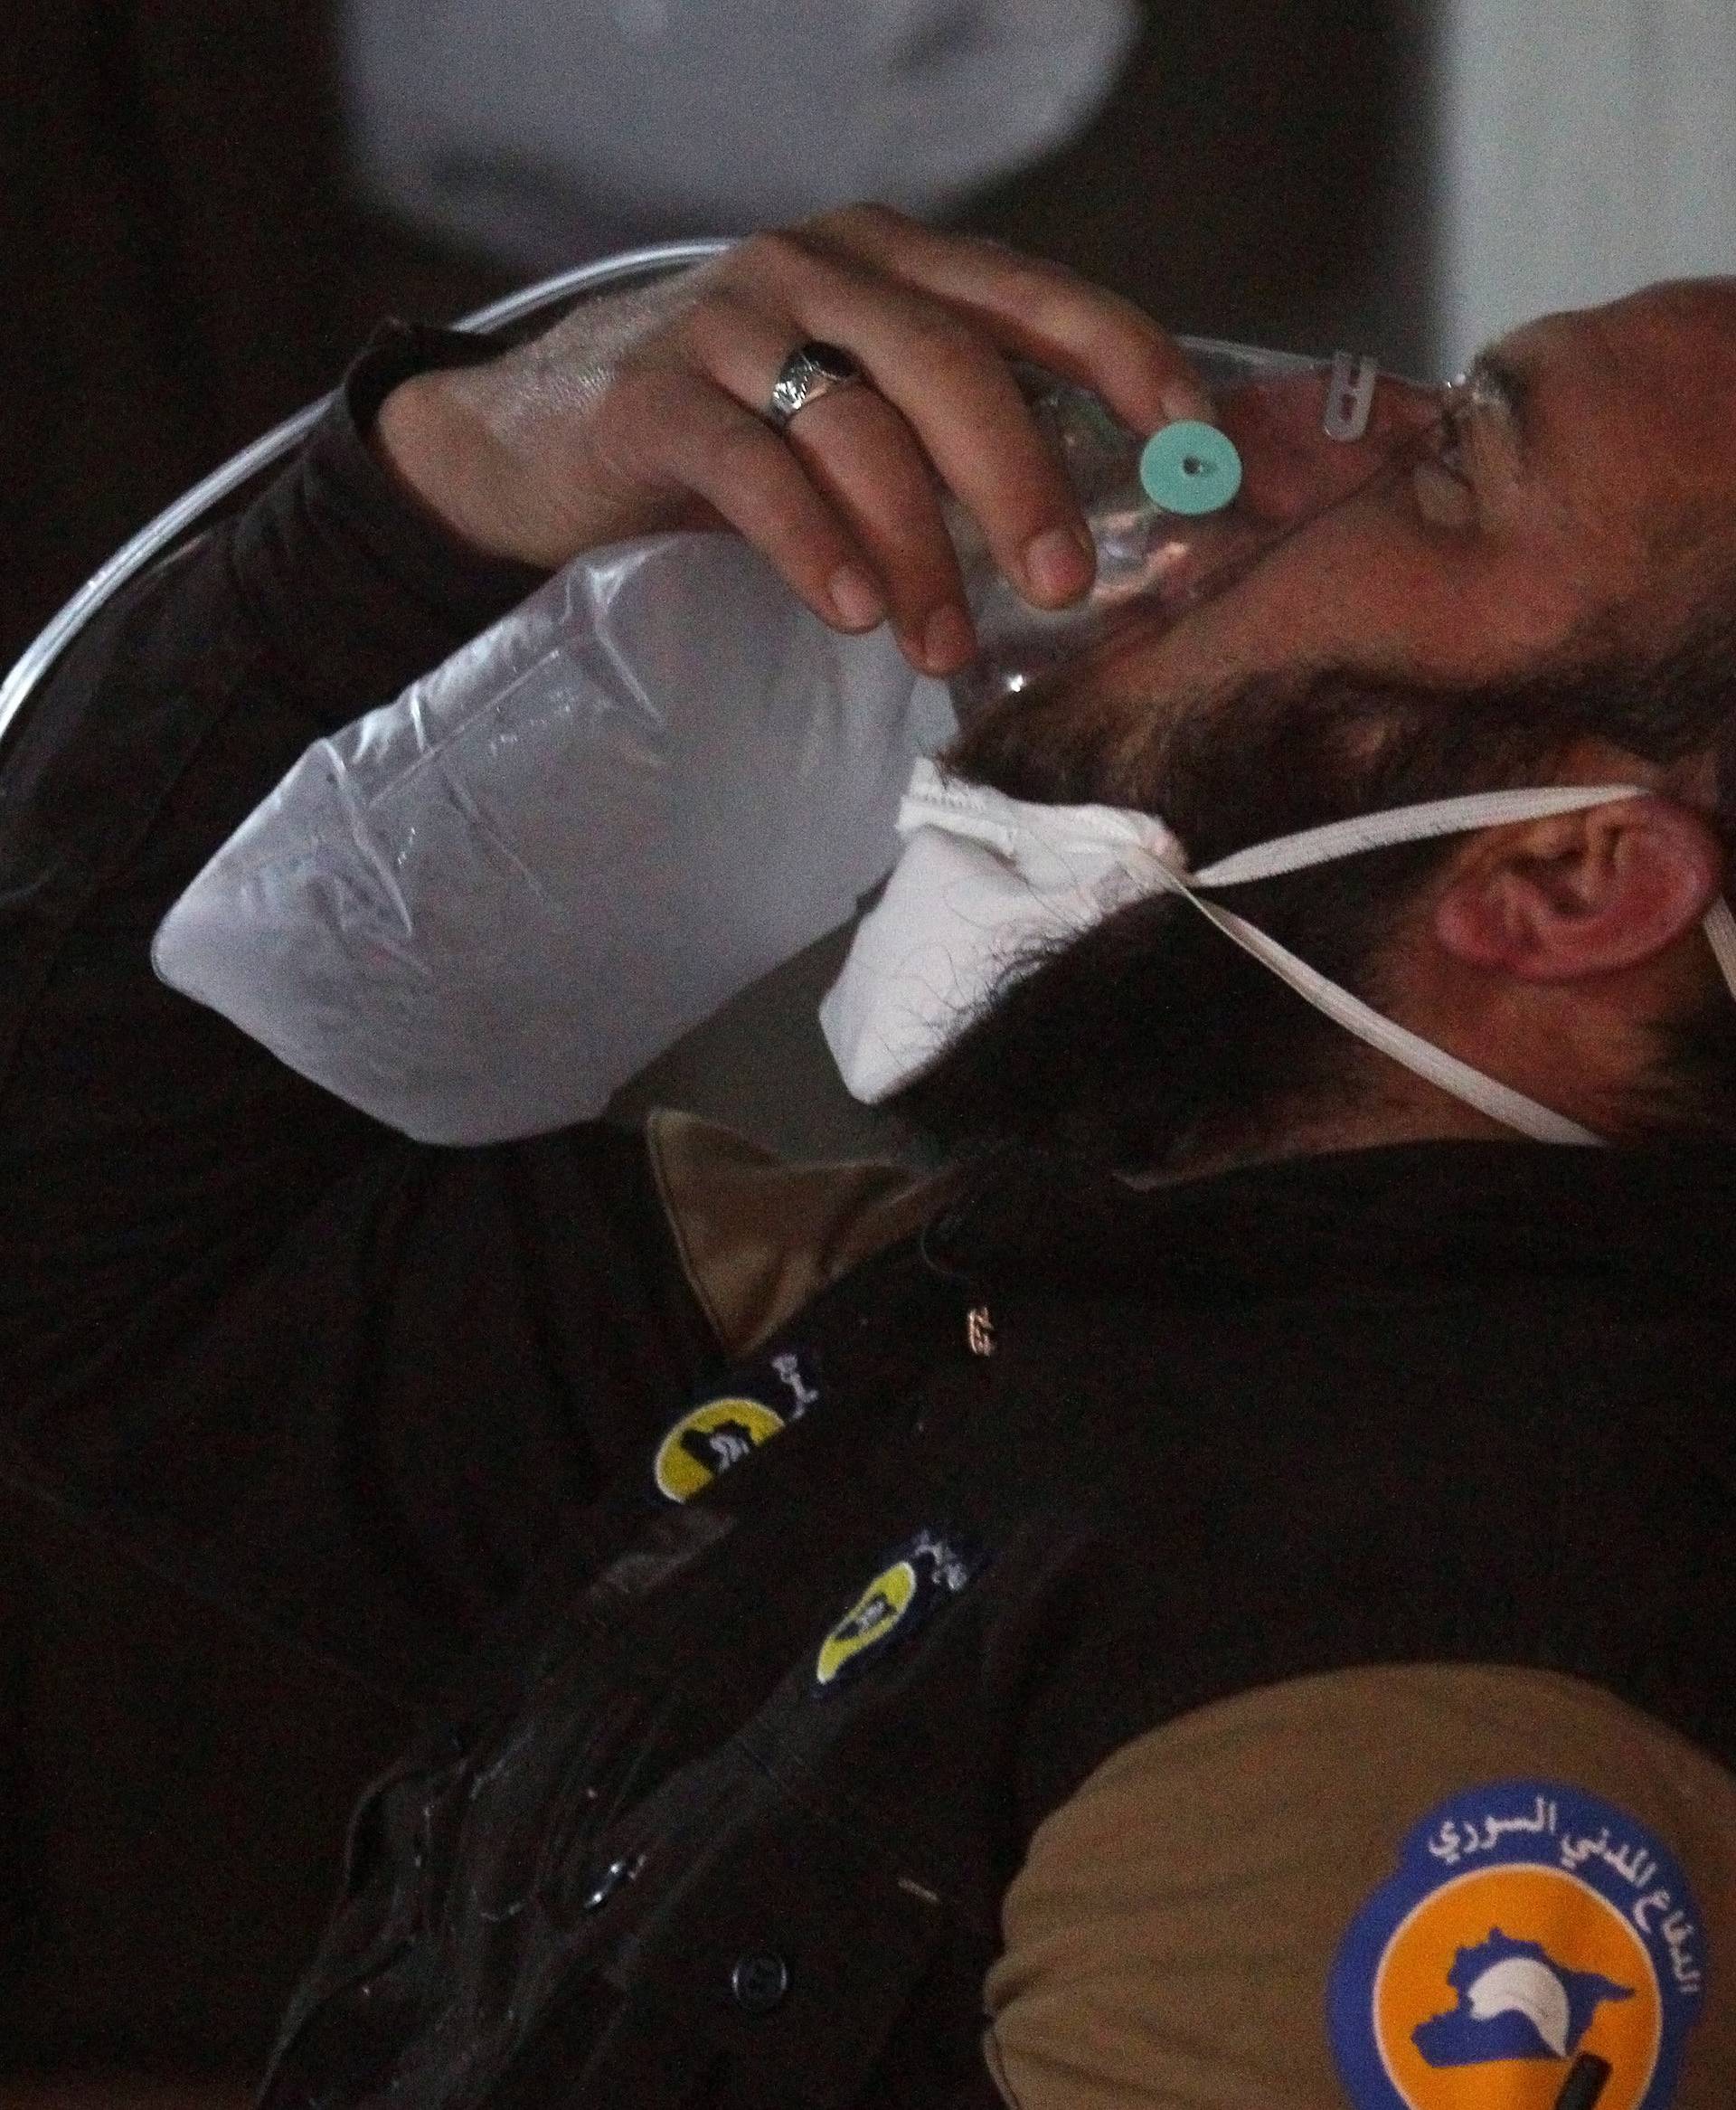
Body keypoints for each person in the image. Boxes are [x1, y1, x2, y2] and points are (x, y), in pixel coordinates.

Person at [2, 204, 1733, 2108]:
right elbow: (87, 1228)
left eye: (1451, 466)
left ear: (1567, 876)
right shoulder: (1003, 1313)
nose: (1270, 449)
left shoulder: (1431, 1693)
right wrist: (456, 481)